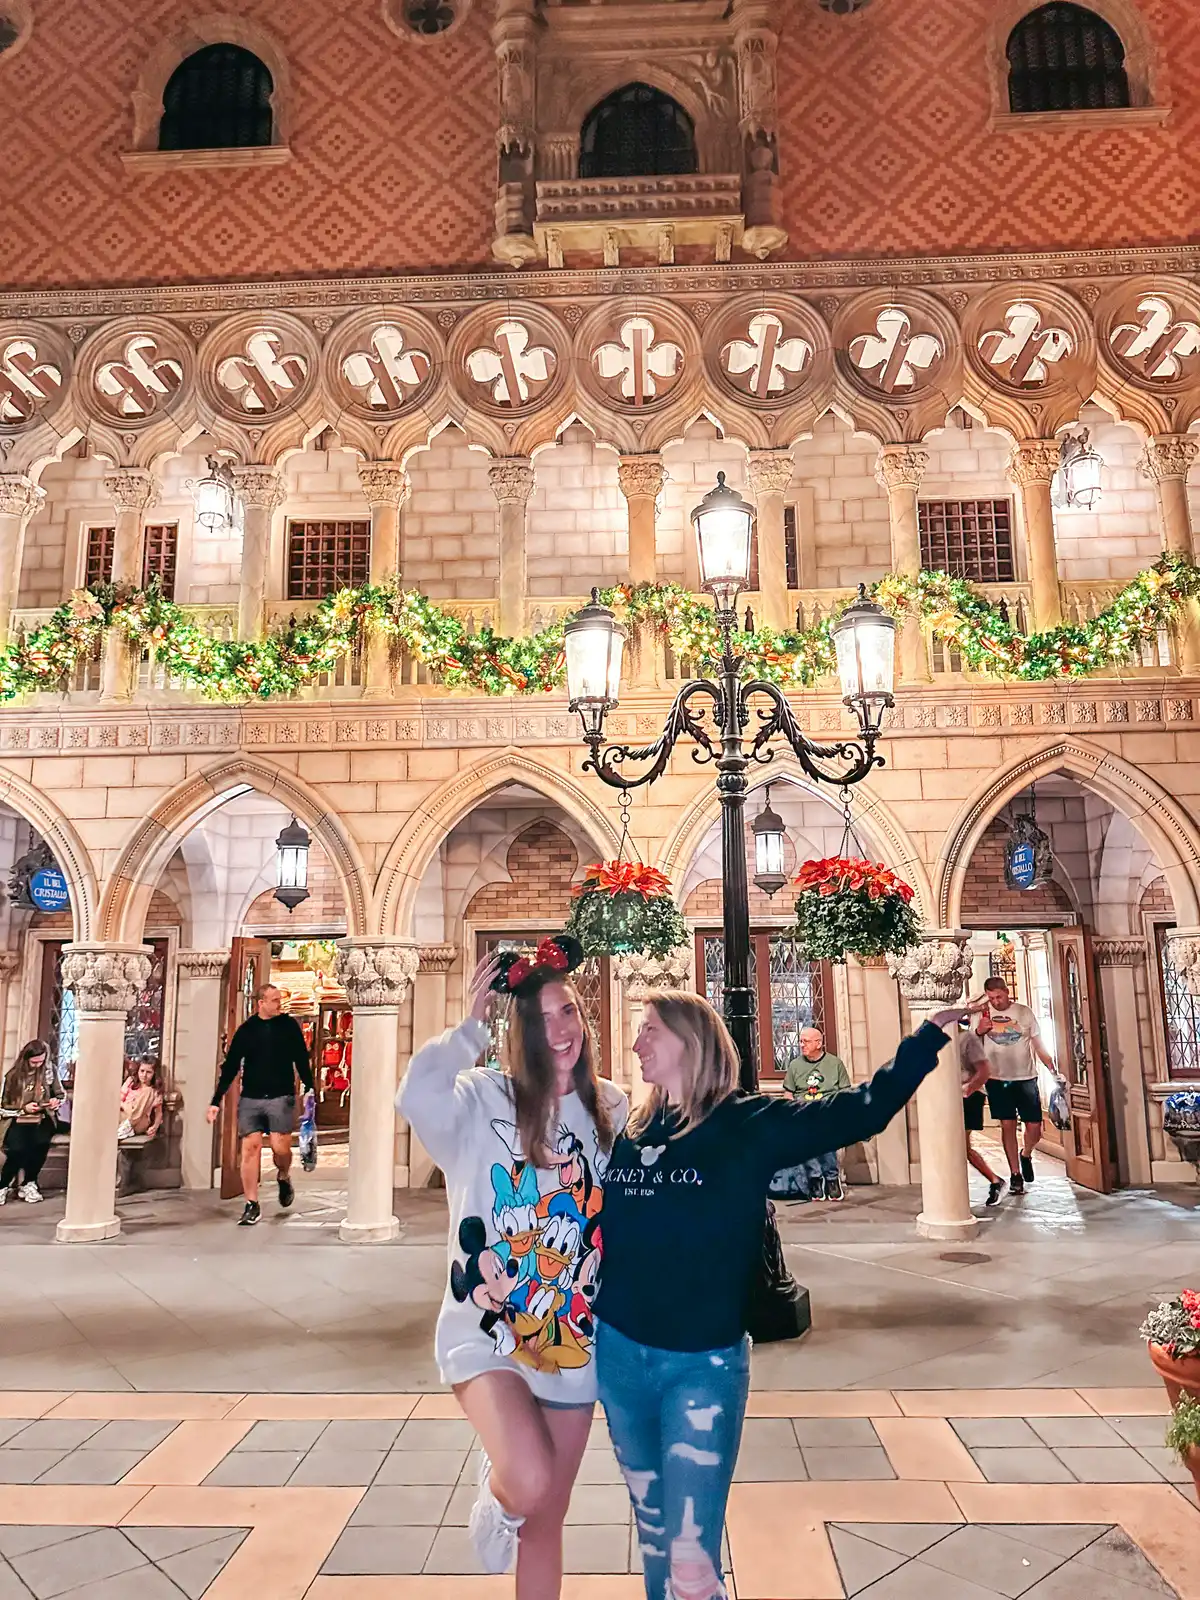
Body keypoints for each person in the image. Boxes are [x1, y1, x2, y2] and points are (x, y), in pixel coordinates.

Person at [594, 991, 963, 1600]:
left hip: (701, 1366)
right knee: (656, 1534)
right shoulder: (636, 1129)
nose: (636, 1044)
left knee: (691, 1557)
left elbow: (862, 1111)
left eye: (649, 1031)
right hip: (621, 1358)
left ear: (691, 1041)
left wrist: (926, 1040)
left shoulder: (746, 1124)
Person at [397, 936, 628, 1597]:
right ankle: (496, 1495)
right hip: (487, 1334)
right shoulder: (476, 1100)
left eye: (569, 1013)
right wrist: (469, 1026)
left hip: (572, 1343)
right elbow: (417, 1094)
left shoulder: (608, 1108)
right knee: (527, 1481)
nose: (560, 1032)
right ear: (514, 1034)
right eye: (541, 1019)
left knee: (548, 1518)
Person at [206, 983, 314, 1226]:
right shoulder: (246, 1031)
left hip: (281, 1096)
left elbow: (301, 1058)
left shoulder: (289, 1026)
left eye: (279, 999)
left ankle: (283, 1175)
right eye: (274, 1000)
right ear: (261, 1003)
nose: (279, 1004)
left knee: (280, 1148)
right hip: (251, 1098)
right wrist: (216, 1101)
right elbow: (231, 1066)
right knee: (250, 1147)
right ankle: (251, 1204)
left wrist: (310, 1087)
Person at [969, 975, 1057, 1195]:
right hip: (997, 1079)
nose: (996, 1002)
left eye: (999, 997)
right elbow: (970, 1047)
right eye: (991, 998)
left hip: (1026, 1077)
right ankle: (1015, 1174)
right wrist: (979, 1030)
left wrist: (1053, 1069)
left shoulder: (1023, 1012)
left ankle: (1026, 1153)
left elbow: (1038, 1044)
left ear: (1007, 992)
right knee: (1007, 1125)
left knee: (1034, 1127)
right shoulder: (982, 1013)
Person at [781, 1025, 851, 1201]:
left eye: (805, 1041)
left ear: (818, 1043)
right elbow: (788, 1093)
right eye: (801, 1041)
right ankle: (816, 1179)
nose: (801, 1045)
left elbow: (845, 1093)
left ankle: (831, 1179)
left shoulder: (835, 1064)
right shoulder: (795, 1065)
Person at [0, 1041, 64, 1205]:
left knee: (40, 1142)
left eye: (41, 1062)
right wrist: (23, 1108)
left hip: (43, 1118)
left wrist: (55, 1102)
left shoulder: (49, 1072)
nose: (37, 1065)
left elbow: (60, 1094)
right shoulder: (13, 1076)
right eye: (34, 1062)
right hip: (17, 1118)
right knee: (17, 1147)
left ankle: (29, 1182)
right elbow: (3, 1106)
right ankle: (3, 1185)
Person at [960, 1028, 1004, 1208]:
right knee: (961, 1148)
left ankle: (995, 1181)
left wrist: (967, 1089)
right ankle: (995, 1181)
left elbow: (984, 1070)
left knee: (961, 1147)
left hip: (970, 1097)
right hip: (950, 1097)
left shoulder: (967, 1038)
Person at [119, 1062, 163, 1140]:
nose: (144, 1075)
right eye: (142, 1071)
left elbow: (158, 1112)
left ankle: (128, 1126)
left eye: (148, 1072)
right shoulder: (131, 1081)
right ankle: (124, 1126)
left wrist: (154, 1127)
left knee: (148, 1090)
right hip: (124, 1115)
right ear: (138, 1071)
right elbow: (119, 1100)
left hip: (139, 1122)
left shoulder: (154, 1090)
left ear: (154, 1074)